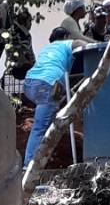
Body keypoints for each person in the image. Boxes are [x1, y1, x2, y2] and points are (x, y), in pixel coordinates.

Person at [22, 27, 77, 166]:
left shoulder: (46, 49)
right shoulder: (65, 43)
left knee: (48, 121)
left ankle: (41, 160)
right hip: (46, 85)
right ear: (66, 36)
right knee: (40, 127)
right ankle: (29, 167)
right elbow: (79, 43)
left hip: (30, 83)